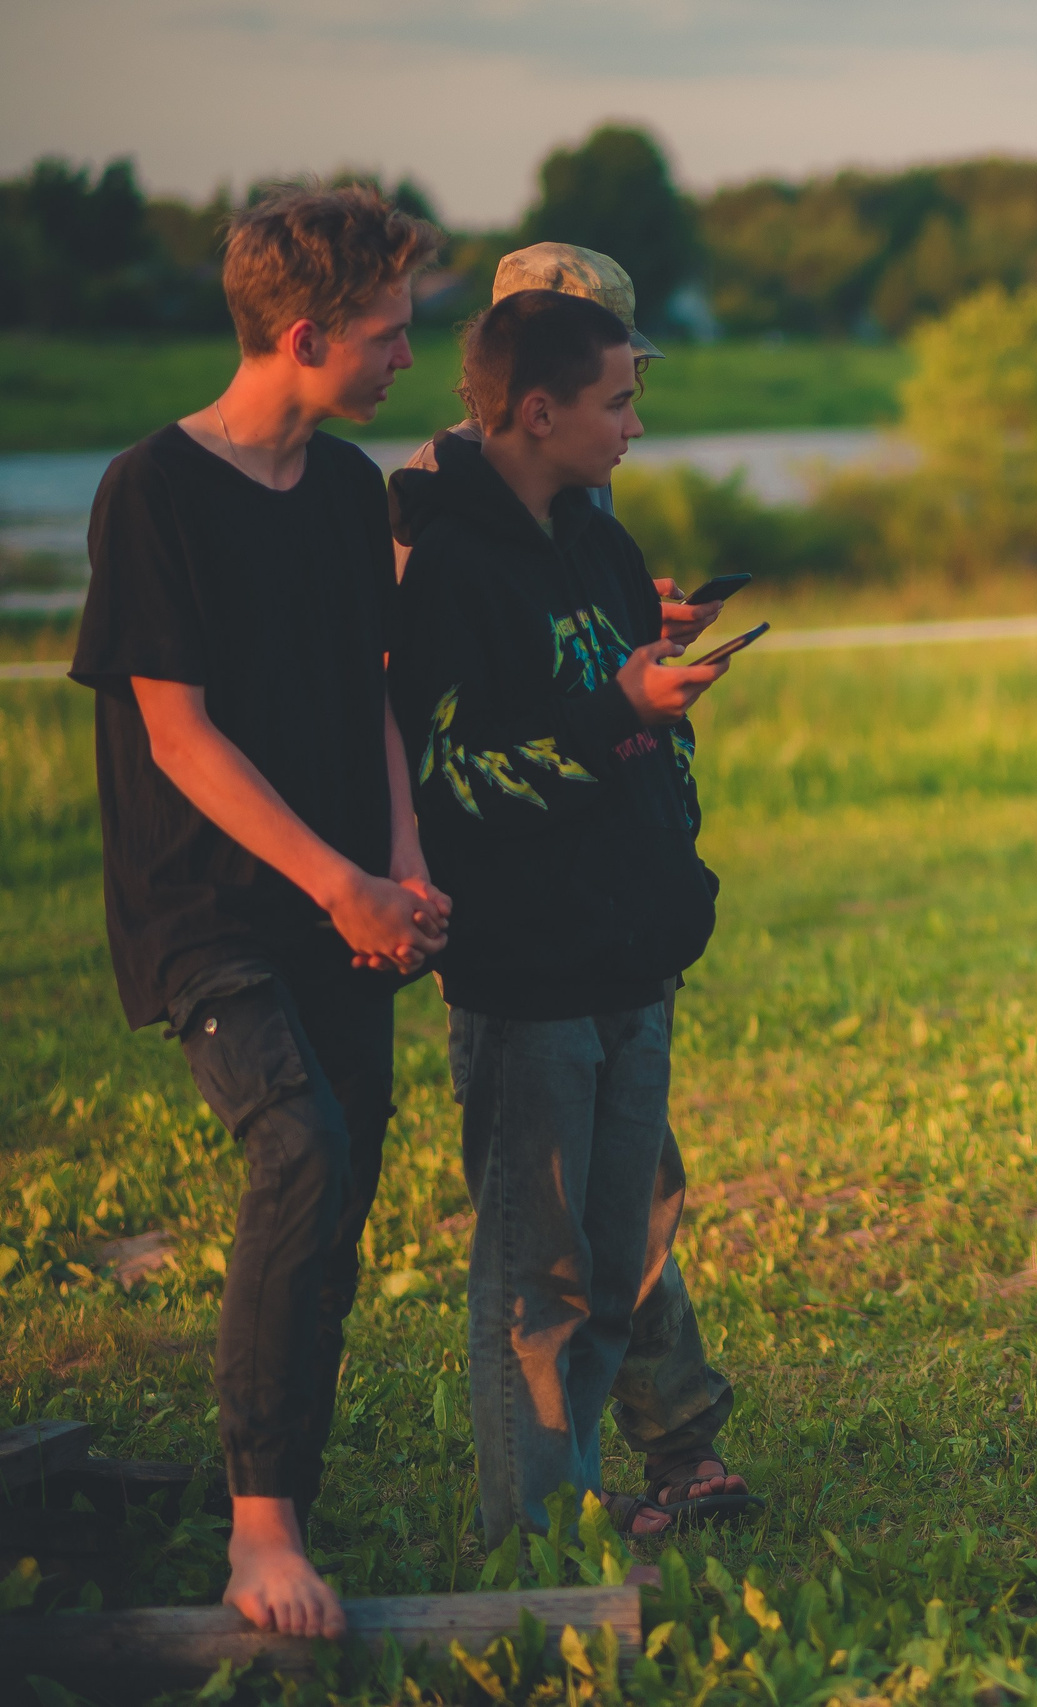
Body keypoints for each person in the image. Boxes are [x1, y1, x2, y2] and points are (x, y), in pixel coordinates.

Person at [70, 183, 448, 1637]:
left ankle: (288, 1478)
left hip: (345, 896)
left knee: (340, 1181)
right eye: (386, 333)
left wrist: (400, 864)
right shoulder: (152, 490)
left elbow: (372, 691)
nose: (407, 358)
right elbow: (179, 734)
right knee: (298, 1149)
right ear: (304, 335)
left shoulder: (352, 491)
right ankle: (258, 1531)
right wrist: (335, 875)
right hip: (208, 906)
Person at [396, 242, 752, 1527]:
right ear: (536, 403)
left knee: (614, 1262)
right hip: (530, 969)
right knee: (538, 1282)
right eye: (617, 398)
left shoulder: (600, 544)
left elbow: (624, 720)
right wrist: (617, 708)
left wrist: (652, 688)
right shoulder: (443, 557)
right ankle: (530, 1555)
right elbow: (455, 781)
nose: (638, 424)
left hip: (629, 954)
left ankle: (607, 1493)